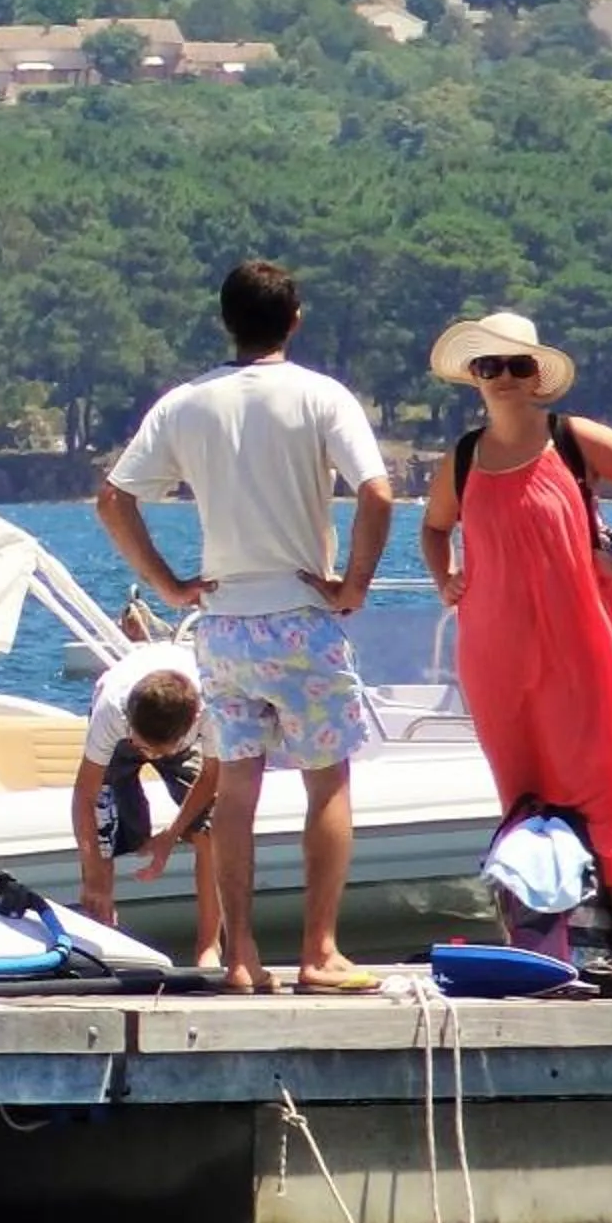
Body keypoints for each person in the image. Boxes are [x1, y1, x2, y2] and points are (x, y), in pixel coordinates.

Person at [96, 261, 394, 995]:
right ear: (295, 319)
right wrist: (352, 585)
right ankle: (319, 952)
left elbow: (113, 499)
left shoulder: (185, 404)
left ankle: (239, 957)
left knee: (236, 795)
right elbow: (379, 494)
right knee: (326, 785)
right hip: (300, 618)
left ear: (226, 321)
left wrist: (169, 583)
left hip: (223, 625)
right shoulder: (322, 397)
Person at [417, 311, 612, 994]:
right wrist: (442, 573)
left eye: (517, 366)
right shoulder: (463, 456)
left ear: (537, 376)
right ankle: (547, 940)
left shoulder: (571, 439)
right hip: (494, 653)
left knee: (601, 787)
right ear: (474, 379)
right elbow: (432, 526)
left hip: (584, 645)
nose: (503, 378)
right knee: (525, 795)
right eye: (489, 366)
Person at [70, 641, 223, 962]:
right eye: (144, 747)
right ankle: (101, 934)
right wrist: (93, 867)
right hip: (124, 729)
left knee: (210, 825)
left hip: (177, 729)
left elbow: (211, 777)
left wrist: (171, 834)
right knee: (104, 825)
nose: (149, 757)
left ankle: (209, 945)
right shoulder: (113, 710)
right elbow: (84, 794)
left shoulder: (212, 708)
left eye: (157, 752)